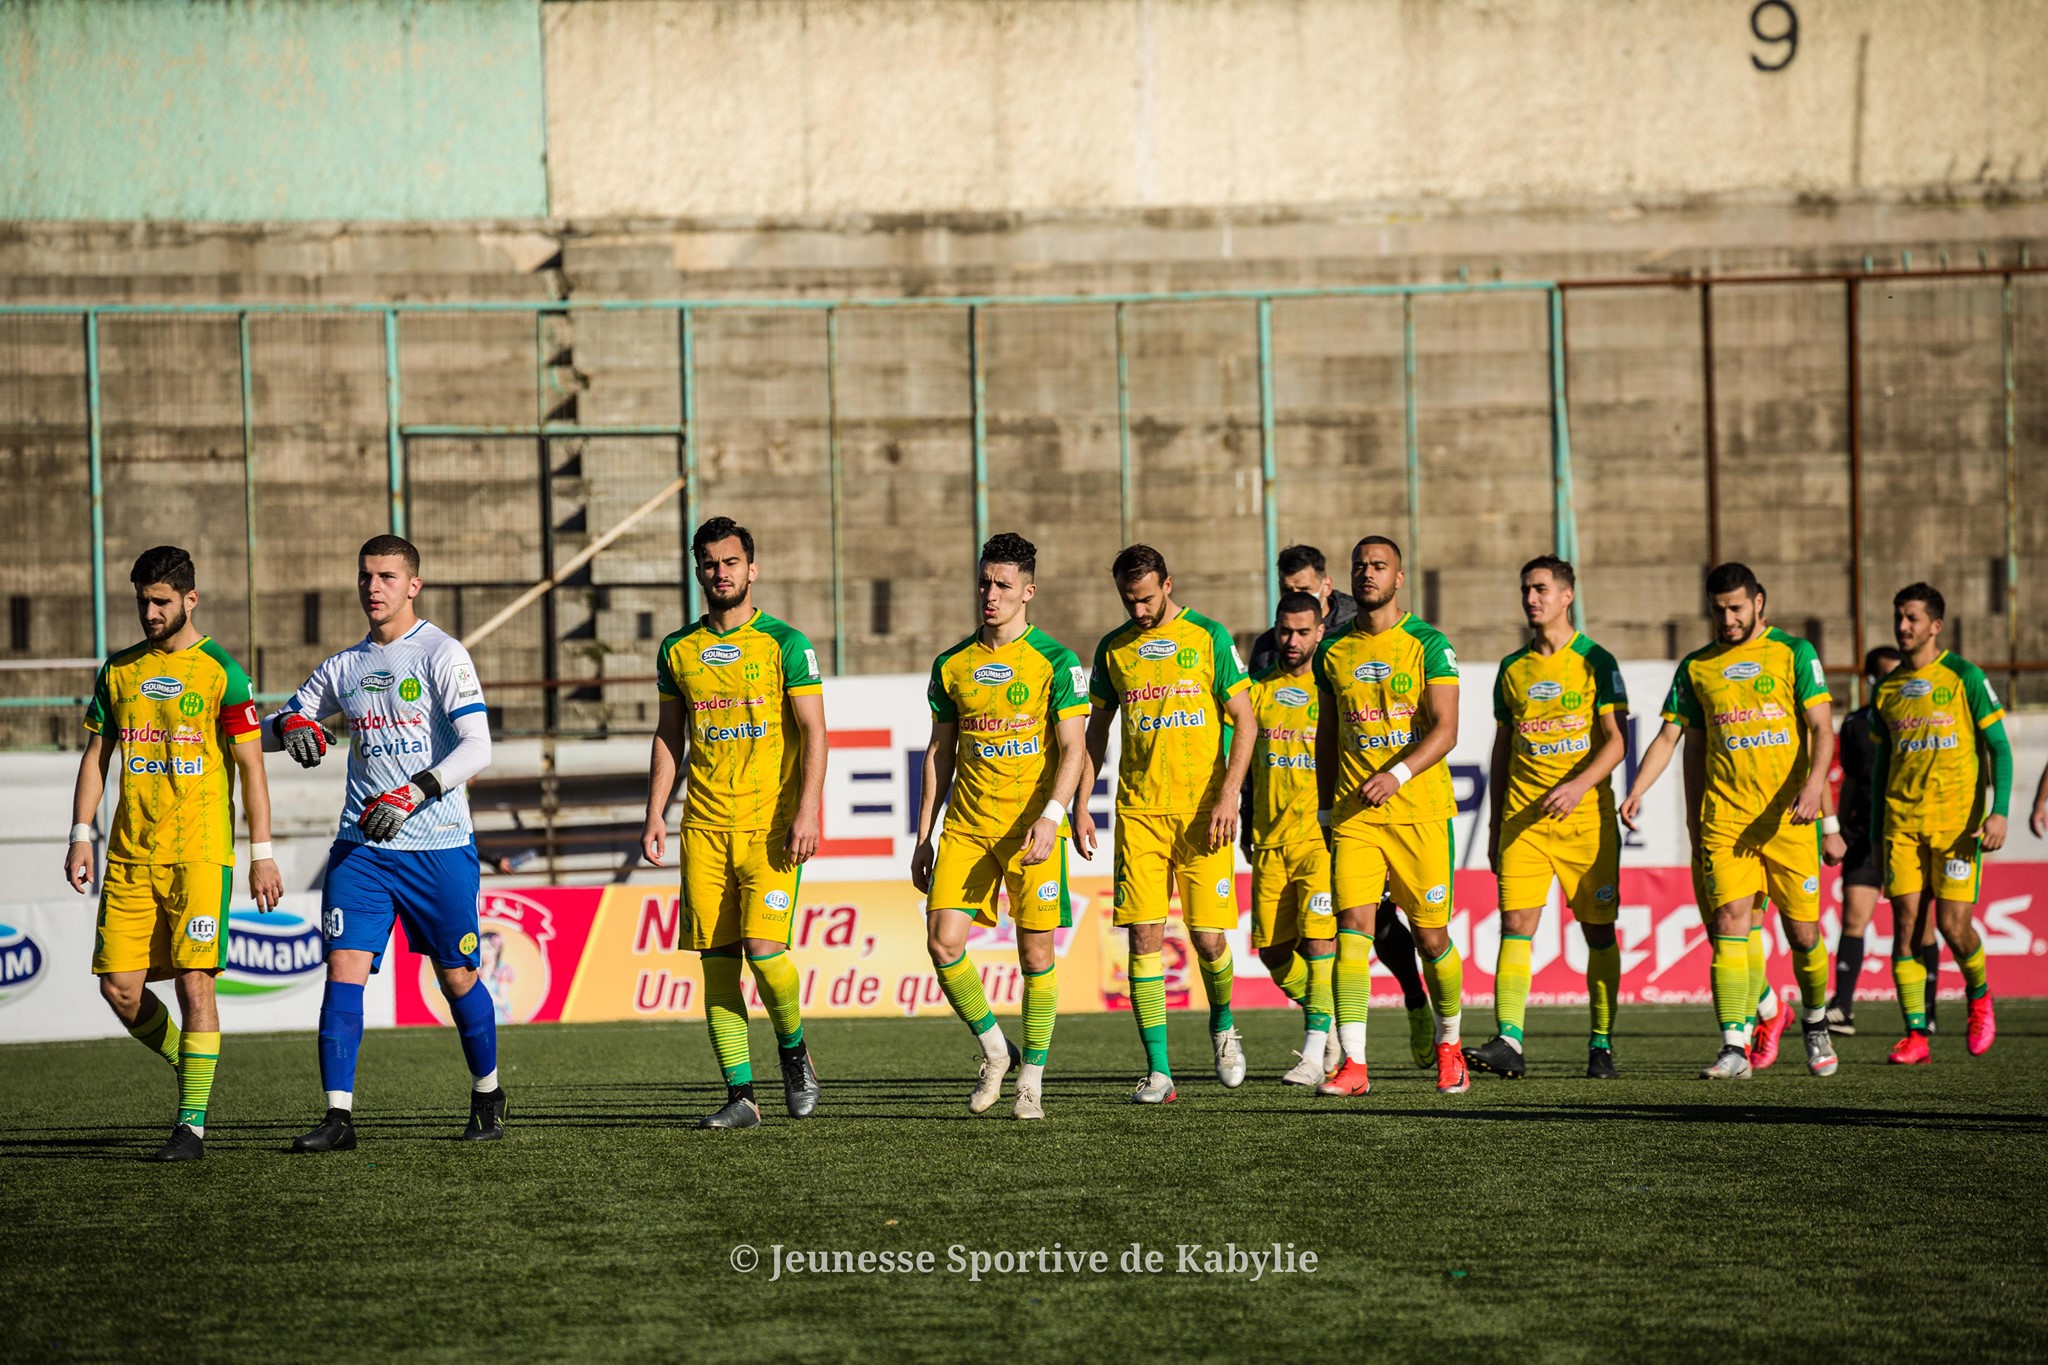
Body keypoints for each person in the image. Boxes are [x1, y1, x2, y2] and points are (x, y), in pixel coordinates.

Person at [268, 535, 502, 1151]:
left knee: (457, 978)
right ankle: (338, 1117)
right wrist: (291, 723)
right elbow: (279, 726)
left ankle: (487, 1093)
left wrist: (413, 792)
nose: (375, 587)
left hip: (438, 845)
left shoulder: (441, 654)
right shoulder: (344, 666)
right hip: (362, 847)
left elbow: (479, 747)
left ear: (413, 585)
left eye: (388, 577)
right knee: (343, 972)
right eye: (367, 576)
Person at [63, 545, 282, 1161]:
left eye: (161, 601)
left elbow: (252, 767)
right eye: (142, 601)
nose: (150, 612)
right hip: (129, 856)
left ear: (190, 599)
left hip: (200, 854)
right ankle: (193, 1063)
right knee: (120, 991)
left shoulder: (223, 673)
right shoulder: (118, 671)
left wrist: (262, 852)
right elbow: (95, 760)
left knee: (196, 986)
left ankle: (190, 1125)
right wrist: (81, 834)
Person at [1619, 563, 1844, 1080]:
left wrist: (1814, 789)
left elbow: (1821, 730)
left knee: (1803, 933)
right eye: (1718, 609)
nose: (1727, 618)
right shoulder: (1697, 667)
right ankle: (1734, 1047)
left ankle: (1814, 1024)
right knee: (1727, 928)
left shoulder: (1794, 654)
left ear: (1759, 602)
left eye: (1736, 607)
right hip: (1726, 821)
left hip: (1788, 818)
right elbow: (1670, 738)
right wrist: (1636, 789)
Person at [641, 517, 828, 1130]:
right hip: (703, 827)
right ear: (699, 571)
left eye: (730, 562)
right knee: (716, 962)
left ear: (753, 568)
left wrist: (808, 809)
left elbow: (815, 734)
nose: (720, 573)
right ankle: (742, 1095)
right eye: (710, 564)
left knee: (764, 952)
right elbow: (671, 735)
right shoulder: (677, 649)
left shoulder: (786, 644)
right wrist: (655, 815)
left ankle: (795, 1053)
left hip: (771, 827)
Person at [911, 533, 1090, 1120]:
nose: (989, 594)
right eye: (984, 583)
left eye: (1003, 585)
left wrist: (1053, 817)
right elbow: (940, 754)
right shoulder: (952, 664)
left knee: (1035, 956)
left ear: (1028, 592)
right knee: (943, 941)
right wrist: (923, 837)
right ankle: (994, 1049)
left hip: (1032, 829)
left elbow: (1073, 750)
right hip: (966, 827)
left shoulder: (1056, 662)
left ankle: (1031, 1080)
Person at [1076, 545, 1256, 1104]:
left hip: (1204, 814)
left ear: (1168, 584)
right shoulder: (1113, 650)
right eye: (1129, 600)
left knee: (1207, 940)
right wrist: (1082, 801)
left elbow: (1246, 724)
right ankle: (1159, 1072)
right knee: (1144, 939)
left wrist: (1230, 796)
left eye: (1148, 598)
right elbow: (1095, 736)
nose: (1139, 610)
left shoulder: (1209, 636)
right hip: (1139, 814)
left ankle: (1223, 1026)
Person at [1312, 535, 1470, 1097]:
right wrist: (1328, 810)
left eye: (1379, 566)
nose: (1368, 574)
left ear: (1399, 578)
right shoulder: (1332, 650)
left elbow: (1446, 730)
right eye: (1360, 567)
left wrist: (1397, 775)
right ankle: (1354, 1065)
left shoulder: (1428, 643)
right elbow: (1327, 735)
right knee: (1351, 931)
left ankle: (1450, 1046)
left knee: (1432, 940)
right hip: (1356, 817)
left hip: (1420, 815)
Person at [1467, 556, 1630, 1081]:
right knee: (1516, 926)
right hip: (1523, 823)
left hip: (1586, 825)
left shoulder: (1596, 661)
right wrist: (1493, 828)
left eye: (1540, 589)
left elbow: (1617, 743)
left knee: (1597, 932)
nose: (1530, 598)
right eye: (1525, 589)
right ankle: (1509, 1041)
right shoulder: (1511, 669)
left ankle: (1601, 1044)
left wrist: (1578, 786)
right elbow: (1501, 748)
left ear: (1567, 595)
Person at [1870, 583, 2011, 1063]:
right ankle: (1915, 1034)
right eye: (1898, 616)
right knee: (1906, 927)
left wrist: (2000, 811)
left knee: (1953, 927)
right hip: (1900, 827)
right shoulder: (1886, 689)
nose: (1902, 626)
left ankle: (1979, 997)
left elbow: (2001, 749)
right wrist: (1874, 836)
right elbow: (1880, 767)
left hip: (1956, 828)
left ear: (1935, 625)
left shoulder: (1964, 676)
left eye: (1911, 618)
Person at [1241, 592, 1341, 1085]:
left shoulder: (1334, 692)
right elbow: (1239, 764)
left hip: (1319, 841)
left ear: (1321, 631)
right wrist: (1240, 816)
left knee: (1321, 942)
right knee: (1275, 955)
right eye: (1285, 630)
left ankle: (1313, 1048)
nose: (1293, 640)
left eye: (1303, 631)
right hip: (1269, 841)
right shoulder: (1256, 691)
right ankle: (1330, 1019)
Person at [1825, 646, 1904, 1035]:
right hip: (1864, 834)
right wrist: (1836, 829)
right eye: (1886, 675)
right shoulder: (1856, 723)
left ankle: (1923, 1017)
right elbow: (1852, 782)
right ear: (1872, 681)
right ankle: (1842, 1007)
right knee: (1853, 917)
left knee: (1916, 924)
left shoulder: (1915, 718)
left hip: (1907, 831)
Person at [1246, 544, 1359, 675]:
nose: (1296, 597)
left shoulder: (1357, 628)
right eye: (1287, 590)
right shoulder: (1267, 646)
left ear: (1327, 586)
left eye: (1304, 590)